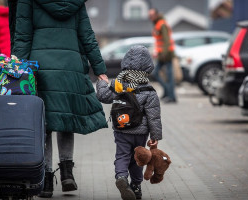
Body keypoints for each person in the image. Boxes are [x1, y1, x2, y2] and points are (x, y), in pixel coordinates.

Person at [9, 0, 109, 198]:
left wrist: (17, 69)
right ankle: (67, 173)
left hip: (40, 67)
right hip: (69, 67)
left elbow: (22, 36)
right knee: (65, 119)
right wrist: (100, 70)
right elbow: (87, 36)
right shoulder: (76, 2)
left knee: (43, 123)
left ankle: (45, 179)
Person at [96, 45, 162, 200]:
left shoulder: (118, 84)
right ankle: (136, 186)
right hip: (140, 132)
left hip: (121, 129)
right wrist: (155, 136)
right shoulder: (148, 89)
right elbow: (154, 116)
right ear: (148, 65)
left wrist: (102, 82)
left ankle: (121, 177)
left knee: (122, 155)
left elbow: (103, 96)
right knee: (137, 158)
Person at [149, 8, 177, 103]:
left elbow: (166, 40)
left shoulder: (162, 24)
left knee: (168, 76)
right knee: (156, 73)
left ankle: (171, 96)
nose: (150, 17)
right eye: (150, 16)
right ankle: (167, 93)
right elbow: (159, 41)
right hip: (162, 54)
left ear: (156, 15)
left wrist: (164, 53)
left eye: (152, 15)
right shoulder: (158, 24)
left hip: (166, 54)